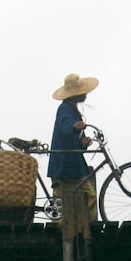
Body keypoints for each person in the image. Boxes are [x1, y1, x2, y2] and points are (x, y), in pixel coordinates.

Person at [47, 73, 99, 220]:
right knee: (87, 197)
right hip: (65, 164)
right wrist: (75, 126)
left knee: (63, 202)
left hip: (70, 164)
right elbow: (65, 127)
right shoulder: (64, 109)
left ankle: (78, 227)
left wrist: (82, 142)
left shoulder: (73, 110)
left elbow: (72, 136)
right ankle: (87, 227)